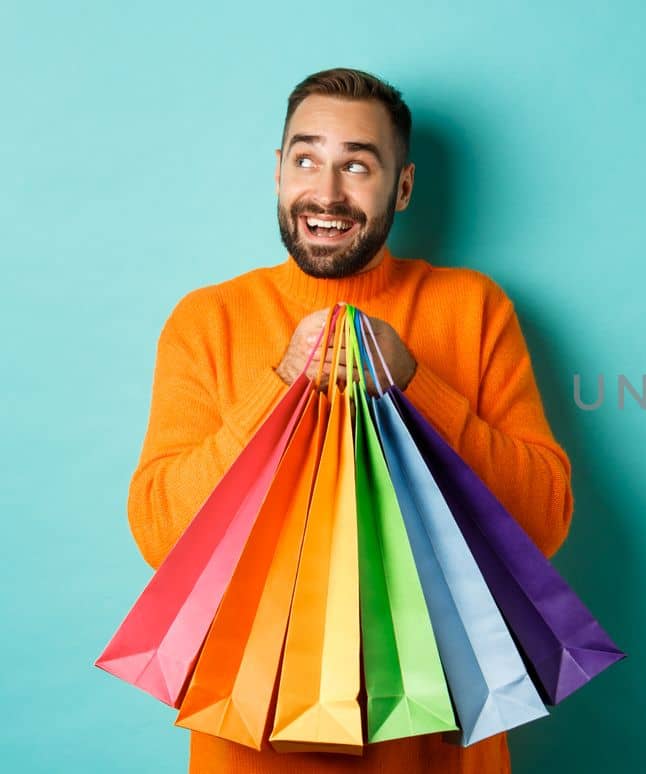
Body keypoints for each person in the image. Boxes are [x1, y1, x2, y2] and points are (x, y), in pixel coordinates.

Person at [125, 67, 573, 774]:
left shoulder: (475, 309)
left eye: (357, 166)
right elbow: (160, 533)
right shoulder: (206, 322)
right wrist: (277, 385)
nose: (326, 193)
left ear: (402, 187)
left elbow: (544, 520)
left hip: (439, 745)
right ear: (278, 172)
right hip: (253, 742)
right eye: (306, 159)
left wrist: (419, 385)